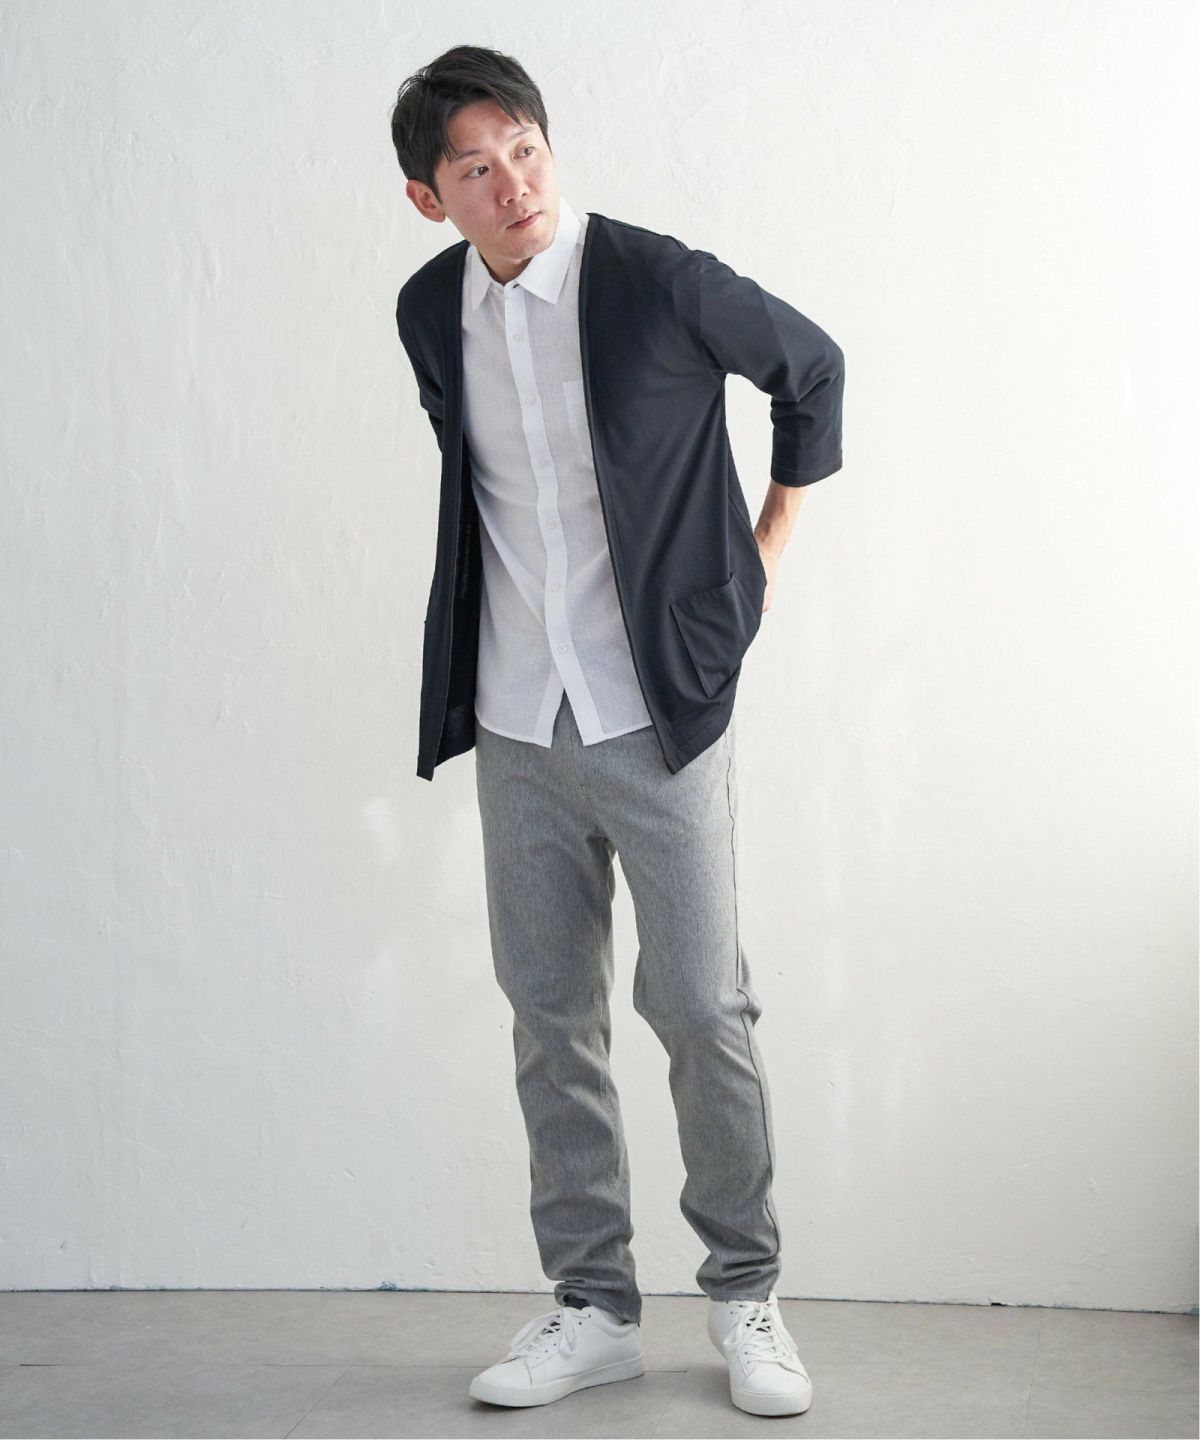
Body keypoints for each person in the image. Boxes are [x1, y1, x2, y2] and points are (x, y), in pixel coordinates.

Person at [389, 44, 844, 1420]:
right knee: (550, 1016)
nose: (512, 182)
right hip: (516, 717)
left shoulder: (656, 278)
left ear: (548, 144)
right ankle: (592, 1307)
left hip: (658, 711)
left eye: (524, 148)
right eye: (476, 167)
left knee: (702, 1005)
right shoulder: (428, 311)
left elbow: (813, 370)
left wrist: (759, 558)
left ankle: (746, 1293)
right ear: (431, 199)